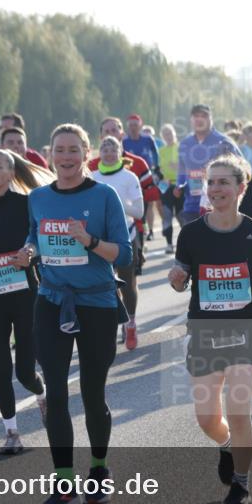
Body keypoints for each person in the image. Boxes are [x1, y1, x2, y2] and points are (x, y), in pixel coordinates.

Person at [18, 123, 132, 504]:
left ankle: (99, 471)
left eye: (73, 150)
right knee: (55, 392)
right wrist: (29, 251)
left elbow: (125, 255)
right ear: (50, 155)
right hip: (51, 302)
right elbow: (34, 235)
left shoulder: (104, 196)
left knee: (92, 392)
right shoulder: (37, 197)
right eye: (59, 150)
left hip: (97, 303)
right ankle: (64, 481)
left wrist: (90, 242)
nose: (65, 157)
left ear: (87, 154)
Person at [168, 154, 252, 504]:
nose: (216, 188)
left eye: (224, 182)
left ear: (241, 188)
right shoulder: (191, 233)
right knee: (207, 419)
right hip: (204, 331)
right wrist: (176, 279)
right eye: (211, 182)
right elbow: (179, 279)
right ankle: (226, 445)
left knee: (238, 410)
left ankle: (241, 484)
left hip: (246, 330)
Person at [0, 149, 51, 454]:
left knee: (25, 372)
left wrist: (30, 252)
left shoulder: (27, 205)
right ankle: (11, 434)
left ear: (11, 172)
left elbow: (41, 240)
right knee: (0, 367)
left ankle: (41, 395)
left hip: (26, 297)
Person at [92, 136, 145, 351]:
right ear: (99, 152)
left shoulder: (129, 177)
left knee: (127, 281)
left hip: (126, 236)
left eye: (113, 148)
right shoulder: (92, 177)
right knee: (105, 284)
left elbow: (139, 212)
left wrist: (117, 204)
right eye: (104, 148)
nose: (109, 152)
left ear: (121, 152)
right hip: (100, 238)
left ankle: (130, 323)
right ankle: (110, 325)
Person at [175, 104, 242, 226]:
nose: (199, 120)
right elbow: (182, 173)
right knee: (192, 245)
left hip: (219, 207)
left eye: (204, 116)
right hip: (191, 207)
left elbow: (242, 171)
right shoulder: (185, 144)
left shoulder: (224, 142)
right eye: (196, 116)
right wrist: (179, 186)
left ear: (211, 119)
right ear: (191, 120)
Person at [122, 114, 161, 239]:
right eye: (131, 125)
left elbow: (155, 153)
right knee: (135, 204)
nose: (133, 128)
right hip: (131, 178)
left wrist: (156, 167)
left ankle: (150, 231)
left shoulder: (148, 139)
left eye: (135, 125)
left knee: (149, 204)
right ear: (128, 127)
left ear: (140, 126)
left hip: (147, 176)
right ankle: (140, 230)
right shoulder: (124, 141)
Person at [158, 124, 180, 254]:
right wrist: (160, 177)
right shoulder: (161, 150)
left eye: (170, 133)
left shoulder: (181, 148)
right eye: (165, 134)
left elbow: (188, 165)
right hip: (166, 186)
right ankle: (169, 244)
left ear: (174, 133)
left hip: (180, 185)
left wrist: (179, 167)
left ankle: (185, 242)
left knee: (181, 215)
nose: (168, 136)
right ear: (162, 137)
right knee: (166, 215)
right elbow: (159, 168)